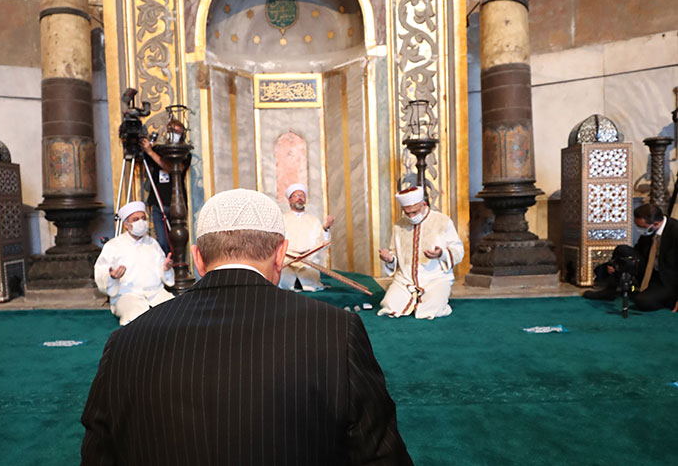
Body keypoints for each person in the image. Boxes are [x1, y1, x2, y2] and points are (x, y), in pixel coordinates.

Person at [81, 189, 413, 465]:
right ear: (281, 254)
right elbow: (380, 455)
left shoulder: (124, 343)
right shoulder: (337, 332)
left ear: (197, 258)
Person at [377, 186, 464, 319]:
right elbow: (394, 253)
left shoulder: (442, 221)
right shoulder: (399, 225)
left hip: (436, 279)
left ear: (423, 205)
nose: (411, 216)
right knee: (389, 306)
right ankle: (413, 298)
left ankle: (427, 301)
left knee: (430, 310)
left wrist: (441, 254)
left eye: (414, 212)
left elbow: (458, 251)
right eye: (407, 213)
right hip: (406, 280)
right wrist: (389, 259)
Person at [583, 203, 678, 312]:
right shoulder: (650, 231)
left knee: (643, 302)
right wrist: (618, 266)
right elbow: (638, 252)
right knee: (622, 250)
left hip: (667, 279)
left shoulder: (675, 231)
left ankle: (668, 299)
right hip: (649, 269)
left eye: (642, 227)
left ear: (655, 223)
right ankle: (610, 291)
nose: (639, 230)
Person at [94, 201, 175, 325]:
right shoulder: (113, 246)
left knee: (176, 311)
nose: (141, 222)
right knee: (136, 319)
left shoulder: (152, 243)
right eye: (136, 219)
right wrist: (112, 277)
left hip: (156, 294)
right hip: (127, 296)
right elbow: (101, 273)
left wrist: (166, 269)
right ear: (127, 224)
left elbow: (163, 274)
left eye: (143, 218)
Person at [279, 183, 335, 291]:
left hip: (309, 263)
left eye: (302, 196)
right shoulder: (282, 219)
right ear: (289, 200)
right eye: (296, 196)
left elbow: (323, 245)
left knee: (310, 271)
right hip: (288, 263)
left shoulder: (314, 220)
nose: (300, 198)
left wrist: (326, 228)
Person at [140, 137, 172, 255]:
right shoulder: (156, 151)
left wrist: (150, 152)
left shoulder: (181, 153)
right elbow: (141, 158)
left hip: (174, 203)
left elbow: (170, 167)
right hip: (157, 204)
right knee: (162, 241)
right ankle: (164, 264)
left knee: (174, 240)